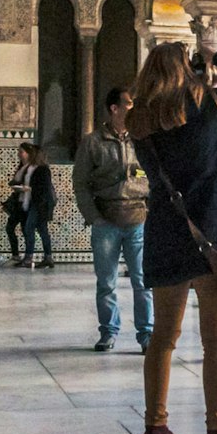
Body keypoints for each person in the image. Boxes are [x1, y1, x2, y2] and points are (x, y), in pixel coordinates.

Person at [130, 41, 217, 434]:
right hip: (212, 232)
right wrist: (216, 54)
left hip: (166, 233)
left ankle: (155, 426)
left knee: (162, 338)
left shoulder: (140, 120)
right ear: (184, 69)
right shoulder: (207, 104)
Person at [78, 87, 153, 349]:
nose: (134, 109)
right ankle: (109, 331)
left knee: (142, 280)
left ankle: (146, 334)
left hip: (137, 219)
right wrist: (94, 217)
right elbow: (81, 183)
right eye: (130, 104)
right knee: (106, 282)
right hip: (106, 220)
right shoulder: (93, 141)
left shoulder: (141, 139)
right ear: (115, 108)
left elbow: (152, 176)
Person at [14, 141, 58, 269]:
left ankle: (29, 257)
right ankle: (48, 257)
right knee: (42, 230)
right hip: (33, 202)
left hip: (39, 204)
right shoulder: (29, 168)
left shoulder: (43, 169)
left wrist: (28, 188)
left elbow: (44, 188)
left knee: (29, 228)